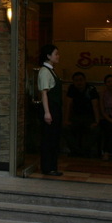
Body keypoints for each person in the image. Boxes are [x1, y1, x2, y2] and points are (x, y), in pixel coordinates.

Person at [37, 44, 63, 177]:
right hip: (50, 108)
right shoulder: (44, 71)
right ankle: (48, 167)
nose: (58, 56)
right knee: (48, 138)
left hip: (54, 108)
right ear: (48, 56)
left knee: (53, 138)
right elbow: (44, 93)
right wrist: (47, 112)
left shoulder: (51, 70)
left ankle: (52, 166)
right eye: (56, 54)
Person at [64, 71, 100, 159]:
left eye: (81, 80)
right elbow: (68, 105)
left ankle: (84, 151)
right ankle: (76, 150)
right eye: (76, 80)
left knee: (96, 130)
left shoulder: (91, 89)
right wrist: (66, 120)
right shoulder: (72, 88)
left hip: (89, 117)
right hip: (75, 117)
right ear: (73, 82)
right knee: (65, 128)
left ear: (85, 80)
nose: (79, 82)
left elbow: (95, 106)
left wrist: (97, 121)